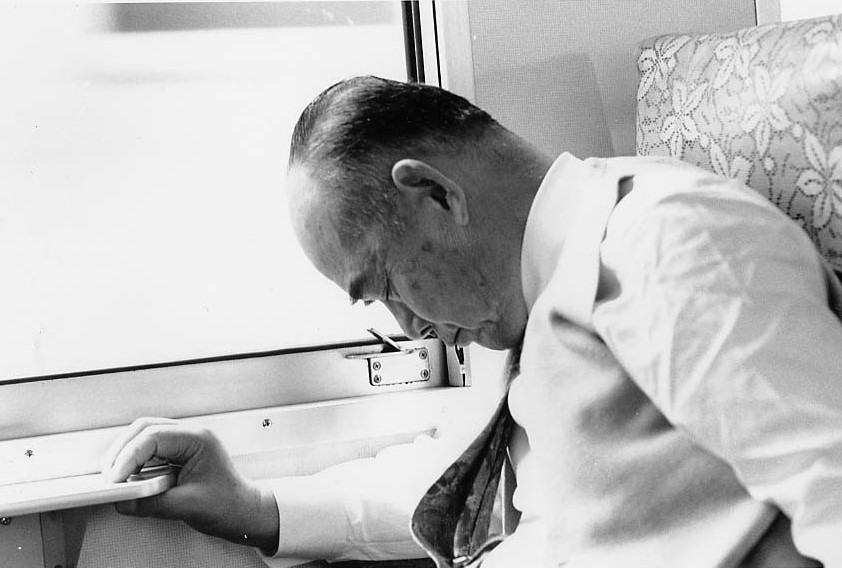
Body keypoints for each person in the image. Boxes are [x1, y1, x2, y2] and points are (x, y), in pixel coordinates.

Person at [104, 76, 842, 567]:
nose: (407, 327)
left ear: (434, 193)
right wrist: (256, 507)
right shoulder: (524, 305)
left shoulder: (668, 241)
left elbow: (830, 483)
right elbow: (466, 489)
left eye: (387, 285)